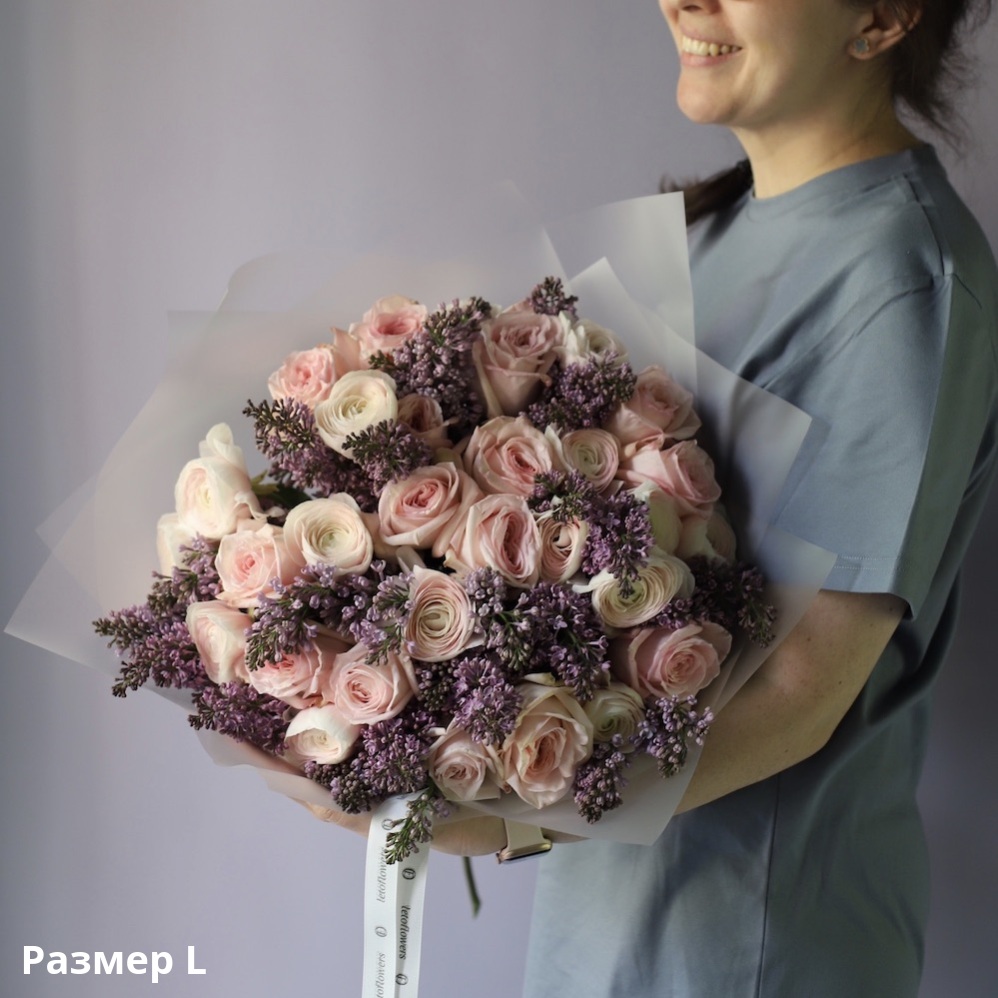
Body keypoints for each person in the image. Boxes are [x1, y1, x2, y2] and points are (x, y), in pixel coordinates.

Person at [312, 0, 998, 994]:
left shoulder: (899, 280)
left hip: (749, 936)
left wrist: (504, 821)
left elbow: (800, 693)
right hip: (607, 908)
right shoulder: (716, 229)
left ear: (883, 17)